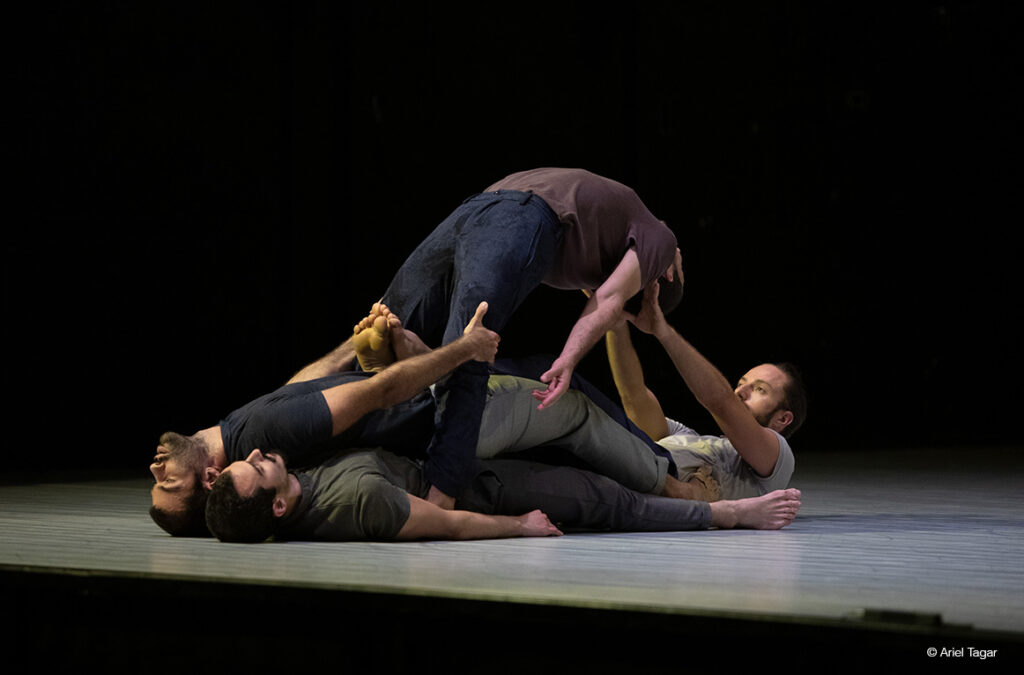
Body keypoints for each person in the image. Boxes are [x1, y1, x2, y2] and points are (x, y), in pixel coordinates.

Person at [150, 302, 696, 537]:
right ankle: (672, 480)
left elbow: (295, 392)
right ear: (212, 479)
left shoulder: (248, 437)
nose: (155, 468)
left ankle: (665, 470)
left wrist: (350, 348)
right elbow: (377, 395)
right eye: (167, 483)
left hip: (429, 416)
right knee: (566, 401)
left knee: (544, 380)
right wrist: (463, 351)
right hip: (444, 426)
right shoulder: (266, 448)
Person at [375, 168, 684, 508]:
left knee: (434, 336)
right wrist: (569, 359)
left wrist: (572, 354)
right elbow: (611, 300)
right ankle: (426, 483)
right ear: (665, 275)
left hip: (485, 203)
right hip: (509, 210)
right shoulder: (660, 240)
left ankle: (437, 493)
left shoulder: (614, 249)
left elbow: (608, 300)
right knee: (391, 328)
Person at [204, 447, 802, 543]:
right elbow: (444, 522)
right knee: (608, 499)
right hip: (489, 492)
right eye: (255, 469)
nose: (257, 455)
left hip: (472, 462)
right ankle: (727, 513)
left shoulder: (305, 483)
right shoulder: (358, 499)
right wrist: (518, 525)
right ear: (276, 505)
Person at [606, 281, 808, 501]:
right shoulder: (684, 436)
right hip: (611, 465)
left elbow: (721, 402)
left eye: (760, 389)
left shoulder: (779, 459)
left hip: (614, 484)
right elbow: (633, 393)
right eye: (741, 382)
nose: (741, 390)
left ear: (782, 419)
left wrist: (663, 331)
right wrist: (615, 321)